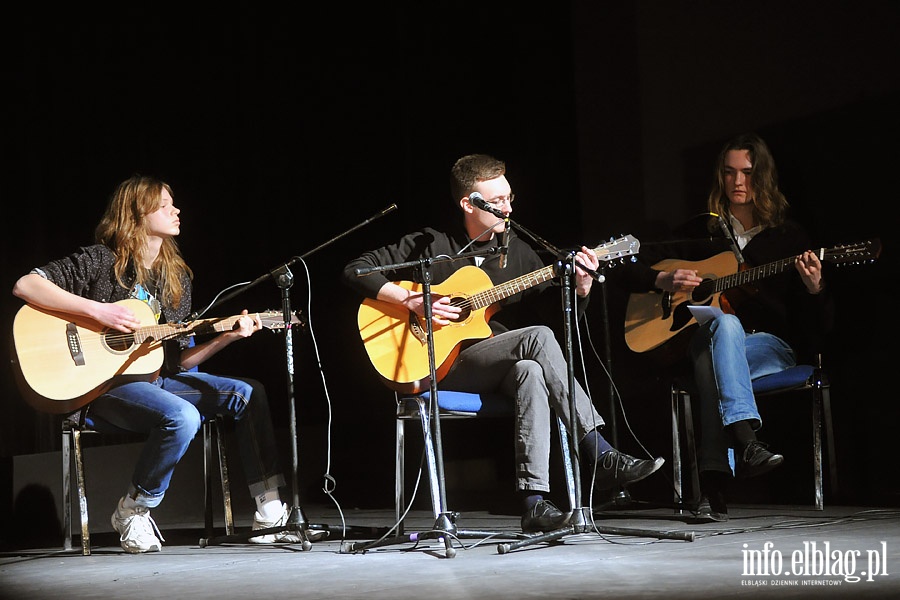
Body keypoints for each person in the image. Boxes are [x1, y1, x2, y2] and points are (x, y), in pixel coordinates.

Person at [341, 153, 664, 534]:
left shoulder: (519, 252)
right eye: (497, 202)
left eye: (510, 198)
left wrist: (580, 288)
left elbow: (562, 319)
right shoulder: (429, 244)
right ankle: (599, 451)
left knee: (530, 369)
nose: (508, 209)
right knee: (537, 339)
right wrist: (412, 300)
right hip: (435, 365)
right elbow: (355, 269)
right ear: (468, 204)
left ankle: (533, 503)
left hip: (487, 364)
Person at [12, 175, 314, 553]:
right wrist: (99, 310)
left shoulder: (176, 281)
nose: (176, 210)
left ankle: (269, 512)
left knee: (247, 393)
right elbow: (26, 285)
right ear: (136, 214)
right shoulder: (99, 261)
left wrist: (226, 336)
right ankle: (133, 510)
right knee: (183, 416)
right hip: (100, 389)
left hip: (154, 382)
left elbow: (179, 362)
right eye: (164, 205)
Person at [612, 133, 834, 522]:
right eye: (729, 173)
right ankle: (746, 443)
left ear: (763, 177)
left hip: (767, 349)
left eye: (748, 173)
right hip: (707, 344)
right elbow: (626, 262)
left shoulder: (789, 237)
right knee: (722, 331)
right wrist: (661, 281)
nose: (738, 182)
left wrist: (816, 290)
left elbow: (815, 328)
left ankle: (711, 477)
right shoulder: (703, 233)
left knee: (721, 342)